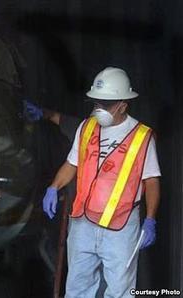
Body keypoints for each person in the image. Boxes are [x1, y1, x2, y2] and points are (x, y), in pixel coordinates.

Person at [27, 67, 161, 297]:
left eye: (106, 104)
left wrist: (150, 219)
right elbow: (72, 164)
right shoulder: (86, 127)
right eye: (97, 102)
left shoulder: (142, 137)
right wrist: (53, 187)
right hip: (83, 222)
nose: (99, 109)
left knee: (120, 290)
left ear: (123, 105)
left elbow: (151, 181)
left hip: (120, 226)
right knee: (78, 287)